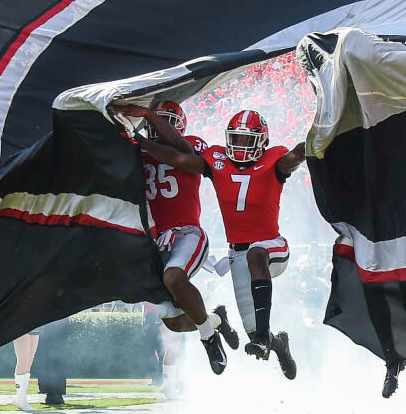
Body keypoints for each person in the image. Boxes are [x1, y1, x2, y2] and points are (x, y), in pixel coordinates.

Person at [142, 109, 305, 379]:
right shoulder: (217, 160)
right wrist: (141, 142)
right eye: (236, 139)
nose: (240, 146)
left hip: (271, 245)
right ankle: (278, 344)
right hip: (237, 253)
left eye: (246, 140)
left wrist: (314, 141)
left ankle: (261, 337)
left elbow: (295, 156)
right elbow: (177, 159)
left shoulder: (274, 159)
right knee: (252, 333)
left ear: (262, 142)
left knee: (256, 254)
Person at [111, 101, 239, 379]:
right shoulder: (137, 151)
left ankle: (209, 339)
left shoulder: (191, 143)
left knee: (173, 278)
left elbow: (183, 156)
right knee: (175, 323)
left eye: (167, 121)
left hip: (187, 233)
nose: (161, 126)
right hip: (156, 242)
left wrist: (147, 119)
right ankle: (216, 320)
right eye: (158, 120)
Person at [12, 330, 40, 411]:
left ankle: (19, 398)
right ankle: (22, 401)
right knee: (23, 360)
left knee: (29, 362)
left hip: (35, 327)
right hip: (20, 326)